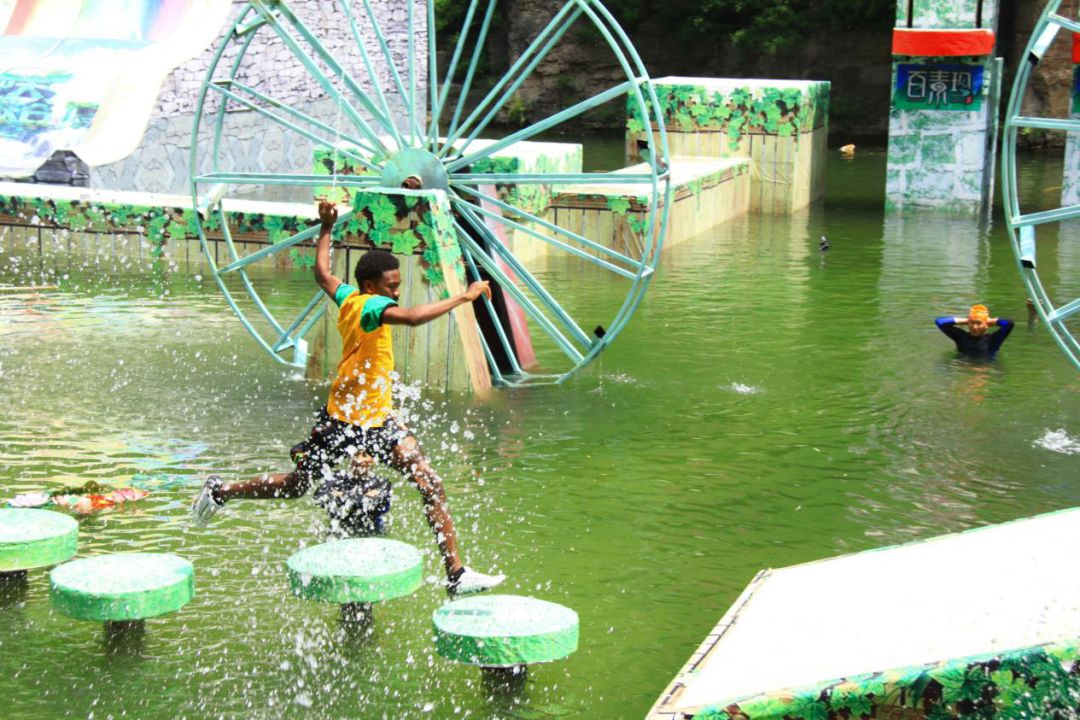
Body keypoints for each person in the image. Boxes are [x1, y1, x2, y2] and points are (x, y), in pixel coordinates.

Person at [193, 199, 505, 597]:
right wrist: (465, 296)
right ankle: (220, 491)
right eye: (392, 286)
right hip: (345, 421)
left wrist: (326, 227)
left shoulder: (350, 298)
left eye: (398, 286)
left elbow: (323, 274)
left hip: (375, 418)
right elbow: (411, 318)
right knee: (295, 486)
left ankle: (456, 575)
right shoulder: (374, 306)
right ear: (373, 286)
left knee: (429, 482)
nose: (396, 291)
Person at [935, 304, 1013, 358]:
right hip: (963, 369)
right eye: (972, 323)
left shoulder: (994, 340)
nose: (975, 327)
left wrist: (989, 321)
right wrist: (966, 321)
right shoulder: (960, 337)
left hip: (985, 371)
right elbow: (940, 322)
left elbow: (1009, 323)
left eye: (979, 323)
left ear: (987, 324)